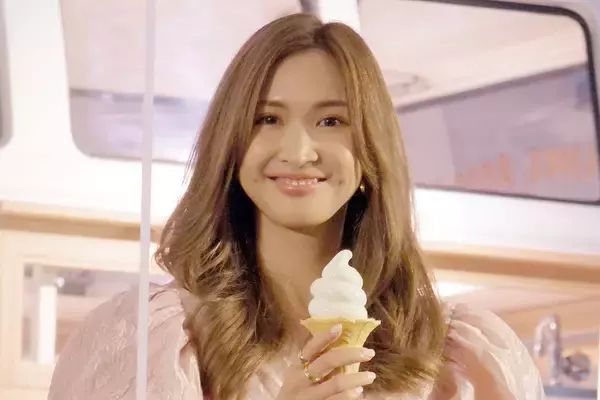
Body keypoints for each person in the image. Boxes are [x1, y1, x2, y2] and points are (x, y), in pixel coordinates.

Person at [48, 13, 545, 400]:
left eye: (331, 121)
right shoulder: (145, 341)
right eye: (267, 119)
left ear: (371, 149)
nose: (298, 151)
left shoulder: (462, 356)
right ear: (231, 144)